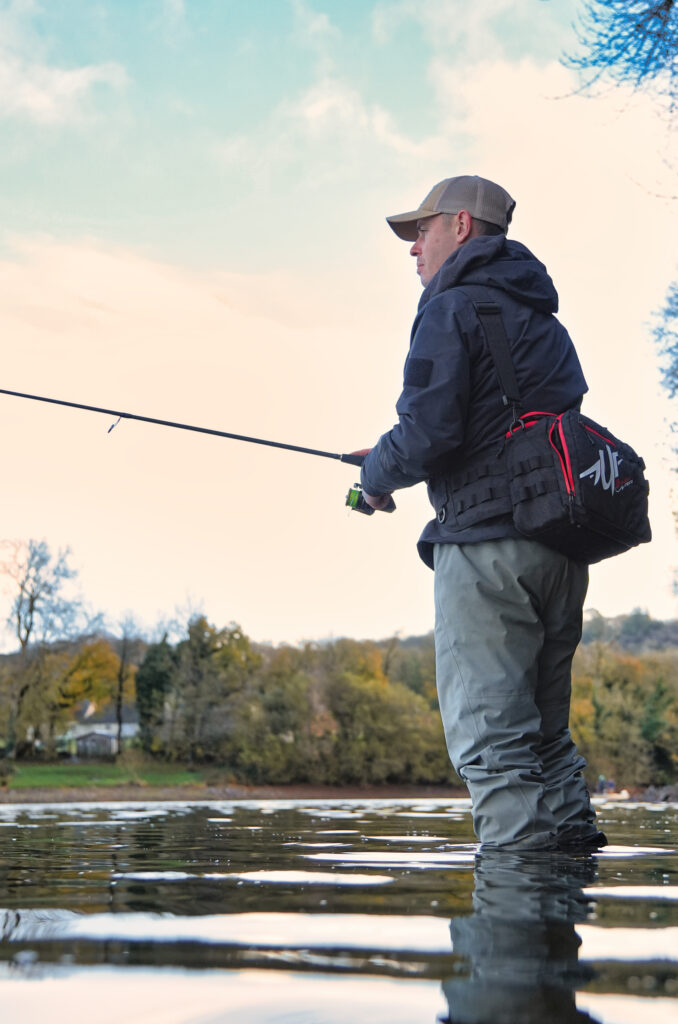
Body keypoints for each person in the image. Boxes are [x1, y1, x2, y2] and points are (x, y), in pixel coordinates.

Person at [359, 175, 607, 852]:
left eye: (422, 231)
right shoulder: (546, 322)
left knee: (494, 747)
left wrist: (375, 477)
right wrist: (391, 453)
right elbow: (500, 427)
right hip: (560, 551)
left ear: (461, 226)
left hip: (487, 551)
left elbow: (428, 434)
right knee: (547, 743)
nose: (414, 248)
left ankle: (515, 911)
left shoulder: (449, 307)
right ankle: (570, 891)